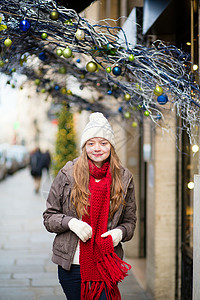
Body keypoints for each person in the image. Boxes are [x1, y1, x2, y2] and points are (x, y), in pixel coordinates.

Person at [43, 112, 137, 300]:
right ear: (84, 146)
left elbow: (130, 222)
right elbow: (49, 217)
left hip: (106, 264)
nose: (97, 148)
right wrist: (70, 223)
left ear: (111, 146)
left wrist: (120, 233)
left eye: (103, 143)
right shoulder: (67, 174)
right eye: (91, 143)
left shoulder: (124, 178)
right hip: (71, 265)